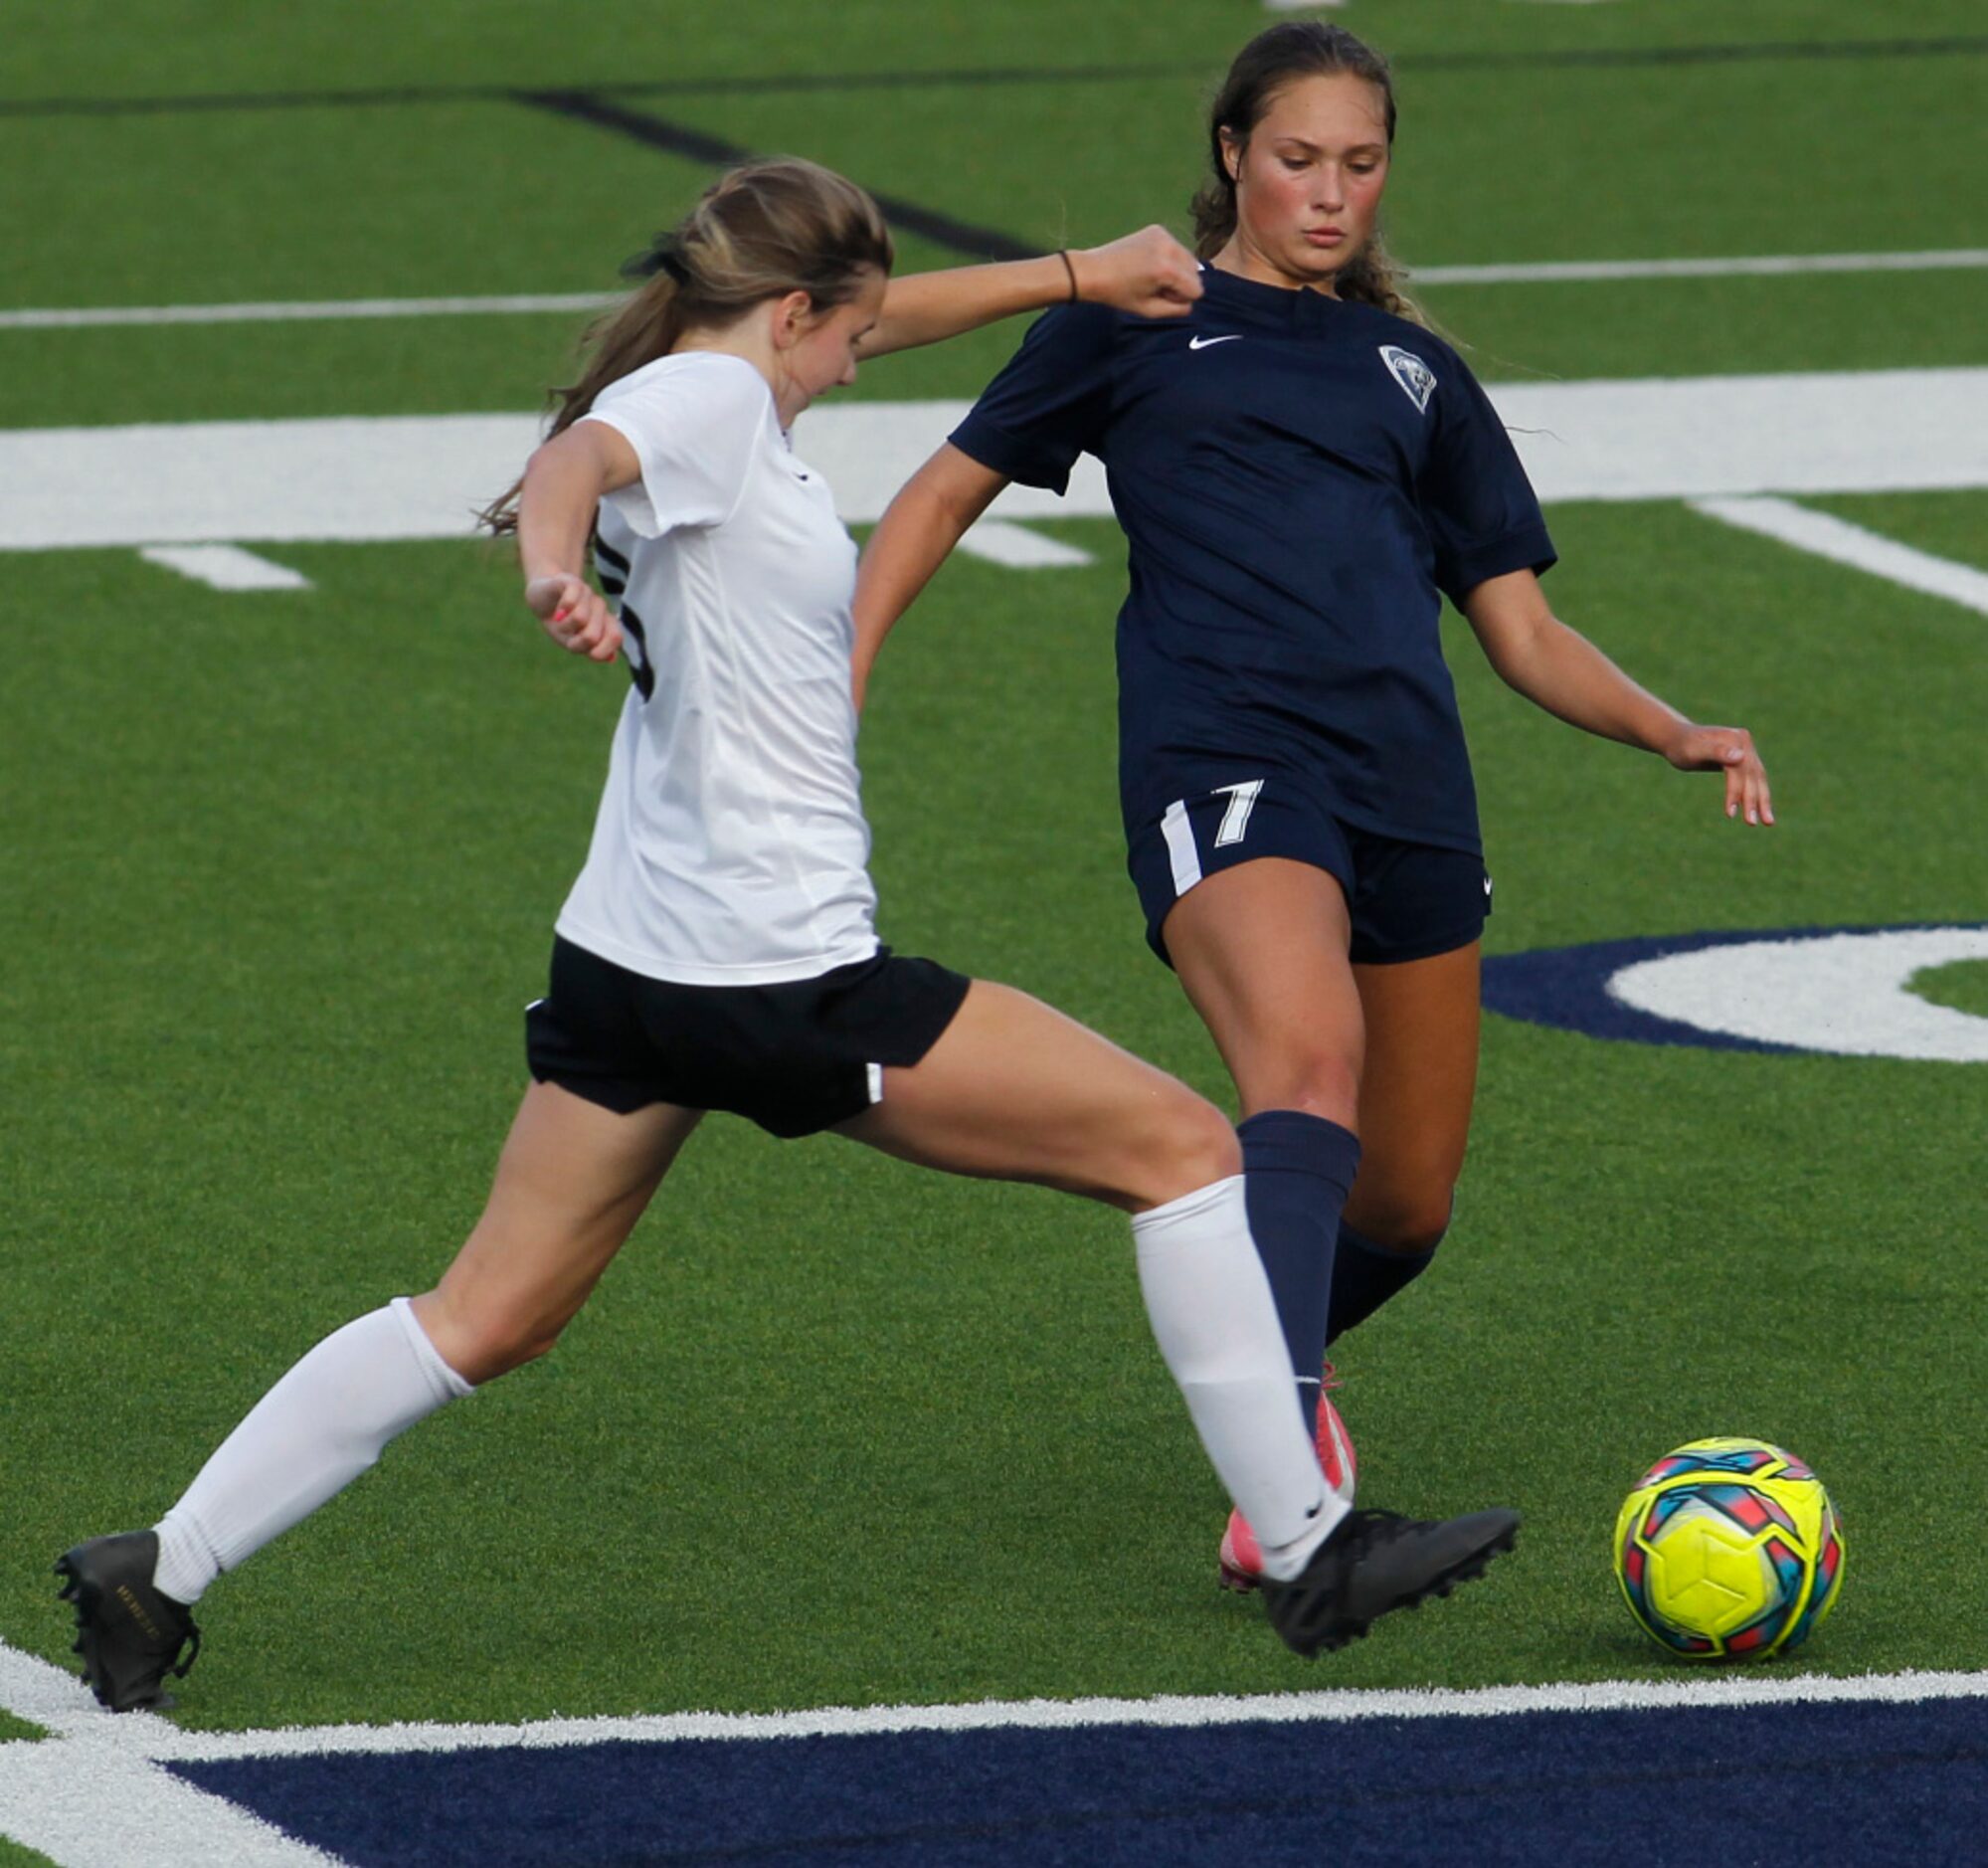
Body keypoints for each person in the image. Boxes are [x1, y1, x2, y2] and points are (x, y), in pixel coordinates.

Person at [57, 158, 1521, 1714]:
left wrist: (1078, 274)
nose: (854, 367)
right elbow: (581, 464)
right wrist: (552, 566)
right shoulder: (703, 407)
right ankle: (1309, 1550)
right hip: (783, 977)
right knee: (1185, 1151)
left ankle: (161, 1564)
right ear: (790, 314)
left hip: (629, 971)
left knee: (484, 1313)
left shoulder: (728, 375)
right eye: (842, 340)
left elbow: (834, 341)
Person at [851, 23, 1774, 1589]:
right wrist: (840, 678)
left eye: (1360, 165)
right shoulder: (1136, 318)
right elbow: (942, 493)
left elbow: (1523, 630)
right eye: (1298, 160)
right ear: (1230, 153)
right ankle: (1294, 1499)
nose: (1330, 195)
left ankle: (1269, 1361)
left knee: (1406, 1198)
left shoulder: (1416, 370)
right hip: (1225, 756)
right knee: (1308, 1066)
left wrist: (1669, 728)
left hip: (1409, 790)